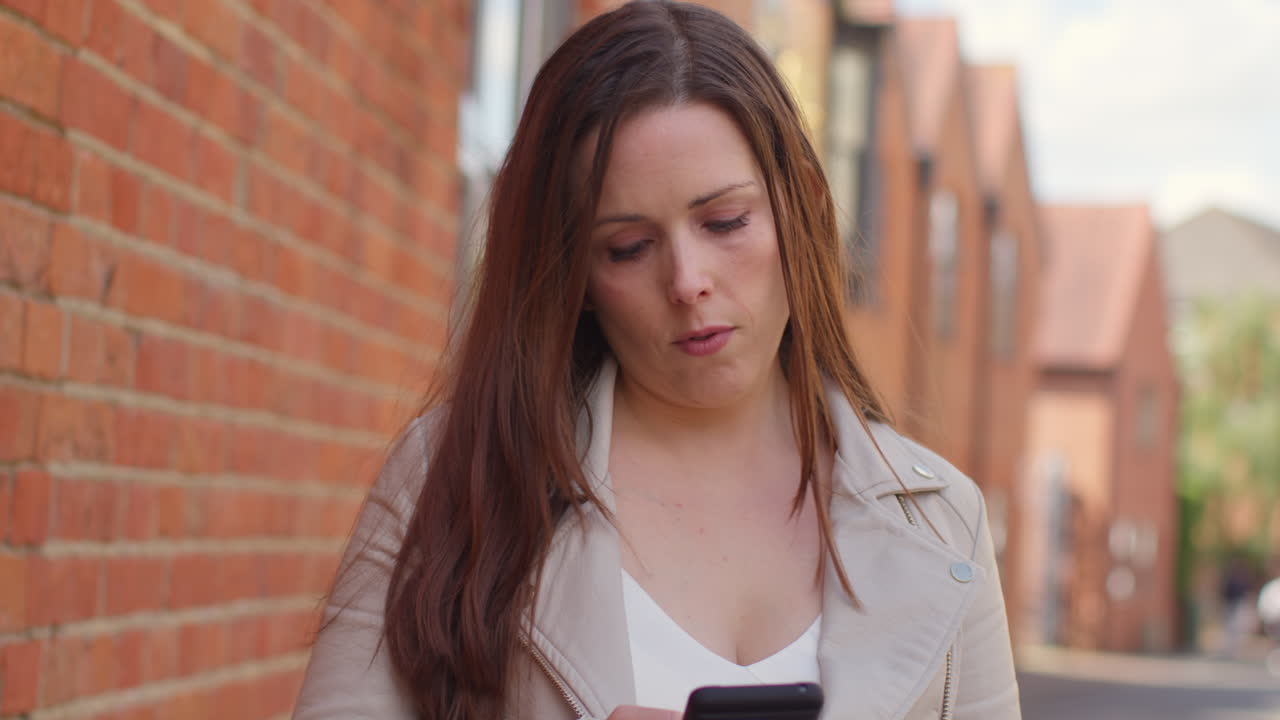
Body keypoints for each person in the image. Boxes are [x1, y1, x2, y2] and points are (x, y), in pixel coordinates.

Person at [292, 2, 1020, 719]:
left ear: (800, 209)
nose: (686, 280)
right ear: (573, 275)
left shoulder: (943, 525)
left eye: (725, 221)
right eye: (629, 247)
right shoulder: (452, 479)